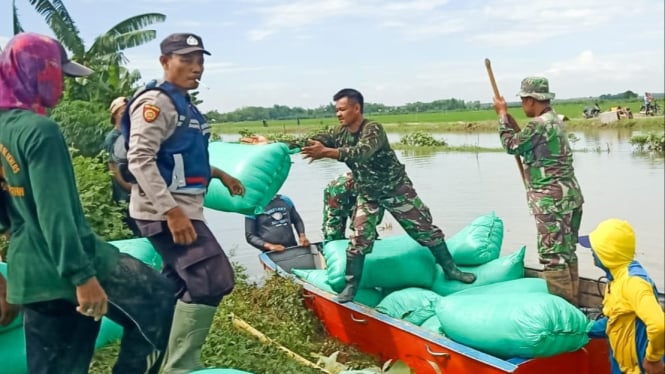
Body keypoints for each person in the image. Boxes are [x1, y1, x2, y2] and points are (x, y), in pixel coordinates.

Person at [0, 32, 175, 373]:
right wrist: (83, 278)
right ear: (39, 70)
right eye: (59, 75)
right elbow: (57, 214)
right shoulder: (39, 131)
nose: (63, 86)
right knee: (159, 298)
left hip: (28, 272)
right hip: (68, 267)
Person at [125, 32, 244, 374]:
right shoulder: (156, 102)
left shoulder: (185, 105)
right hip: (165, 212)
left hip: (183, 208)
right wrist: (171, 212)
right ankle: (179, 366)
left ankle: (156, 359)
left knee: (176, 285)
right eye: (186, 60)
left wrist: (221, 175)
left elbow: (181, 157)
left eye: (200, 60)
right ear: (165, 62)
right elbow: (141, 159)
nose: (196, 67)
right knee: (213, 277)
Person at [302, 88, 475, 303]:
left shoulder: (373, 129)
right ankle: (350, 286)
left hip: (396, 189)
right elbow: (310, 141)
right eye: (336, 110)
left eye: (342, 109)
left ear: (357, 108)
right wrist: (278, 143)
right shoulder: (339, 133)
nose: (338, 114)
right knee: (359, 238)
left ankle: (451, 269)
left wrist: (327, 152)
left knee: (424, 230)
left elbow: (362, 152)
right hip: (369, 194)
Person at [493, 76, 584, 305]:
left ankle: (564, 311)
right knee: (567, 252)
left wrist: (502, 116)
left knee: (552, 257)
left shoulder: (538, 124)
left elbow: (511, 145)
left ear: (532, 101)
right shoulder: (555, 120)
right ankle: (574, 303)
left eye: (523, 101)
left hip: (550, 201)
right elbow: (530, 143)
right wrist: (513, 124)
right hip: (570, 198)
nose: (523, 106)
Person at [581, 219, 664, 374]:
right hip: (621, 365)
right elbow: (616, 320)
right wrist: (584, 327)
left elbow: (659, 325)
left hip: (640, 368)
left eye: (595, 248)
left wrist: (653, 359)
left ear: (608, 251)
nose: (591, 251)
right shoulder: (615, 279)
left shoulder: (634, 283)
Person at [103, 96, 140, 236]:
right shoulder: (112, 138)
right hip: (125, 194)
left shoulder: (132, 135)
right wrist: (128, 187)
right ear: (115, 115)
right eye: (122, 112)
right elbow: (113, 168)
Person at [322, 172, 385, 242]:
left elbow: (375, 216)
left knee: (367, 232)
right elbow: (333, 216)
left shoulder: (380, 187)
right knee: (334, 234)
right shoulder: (339, 189)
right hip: (338, 195)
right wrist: (332, 236)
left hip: (362, 194)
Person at [245, 194, 310, 252]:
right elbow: (250, 236)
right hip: (270, 253)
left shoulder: (285, 200)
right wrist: (270, 246)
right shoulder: (253, 206)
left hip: (292, 247)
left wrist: (302, 236)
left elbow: (297, 220)